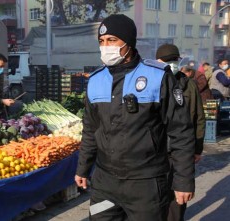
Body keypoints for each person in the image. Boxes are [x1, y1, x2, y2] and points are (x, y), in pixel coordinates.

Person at [75, 14, 195, 221]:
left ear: (129, 42)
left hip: (146, 184)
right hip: (104, 183)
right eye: (101, 41)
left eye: (112, 40)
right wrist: (83, 168)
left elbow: (181, 131)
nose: (106, 47)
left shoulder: (158, 77)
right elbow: (90, 130)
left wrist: (183, 180)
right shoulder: (95, 80)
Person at [156, 44, 205, 221]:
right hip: (157, 150)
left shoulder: (189, 85)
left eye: (173, 60)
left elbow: (199, 117)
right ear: (157, 62)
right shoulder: (152, 83)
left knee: (179, 197)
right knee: (158, 194)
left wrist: (198, 148)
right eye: (166, 61)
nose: (171, 64)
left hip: (181, 150)